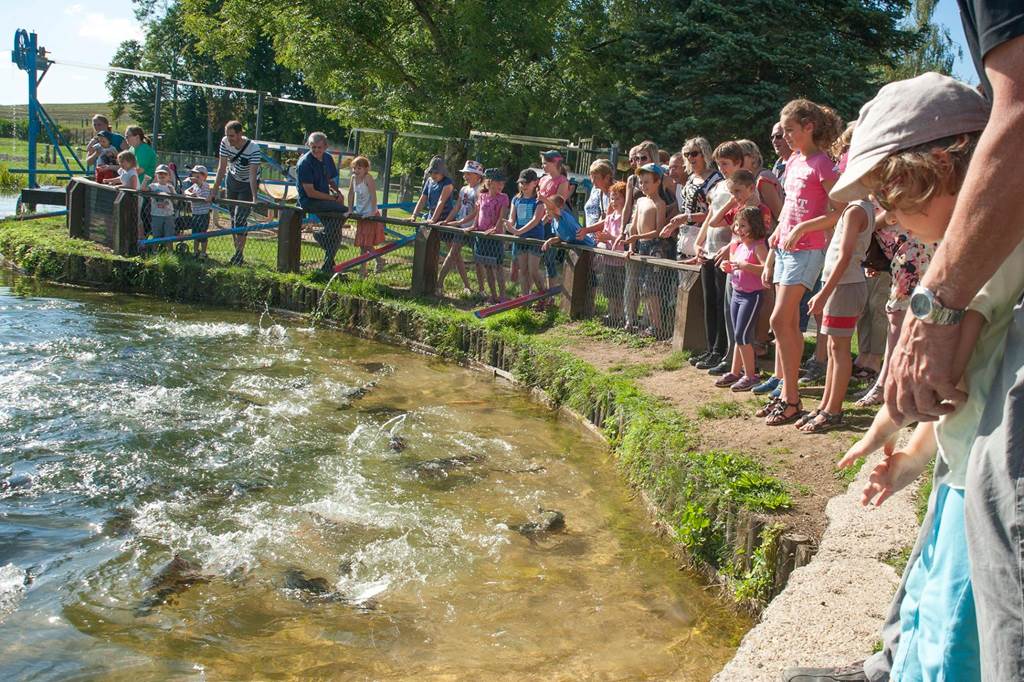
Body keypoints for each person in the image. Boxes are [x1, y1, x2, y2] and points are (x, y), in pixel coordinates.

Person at [782, 72, 995, 682]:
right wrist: (908, 459)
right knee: (928, 586)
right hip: (958, 467)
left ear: (942, 171)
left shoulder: (989, 265)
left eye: (896, 195)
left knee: (957, 620)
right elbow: (957, 397)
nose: (888, 215)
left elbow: (945, 381)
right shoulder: (956, 258)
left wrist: (893, 425)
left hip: (981, 481)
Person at [760, 99, 844, 427]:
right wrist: (774, 244)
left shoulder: (823, 164)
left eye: (791, 130)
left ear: (809, 127)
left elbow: (840, 211)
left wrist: (803, 227)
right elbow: (789, 210)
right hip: (783, 249)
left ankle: (791, 397)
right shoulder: (794, 162)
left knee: (781, 319)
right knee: (783, 324)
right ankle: (786, 395)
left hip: (808, 249)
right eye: (783, 131)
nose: (786, 137)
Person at [797, 196, 874, 433]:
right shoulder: (855, 208)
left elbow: (845, 256)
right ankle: (826, 406)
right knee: (833, 349)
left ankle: (834, 411)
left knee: (839, 351)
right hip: (841, 285)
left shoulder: (856, 210)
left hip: (845, 286)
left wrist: (823, 294)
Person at [692, 141, 745, 375]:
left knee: (724, 305)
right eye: (719, 164)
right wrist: (698, 241)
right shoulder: (718, 187)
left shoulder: (742, 187)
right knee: (709, 300)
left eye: (726, 164)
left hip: (727, 250)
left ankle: (724, 350)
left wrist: (732, 246)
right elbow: (709, 217)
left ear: (738, 163)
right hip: (709, 248)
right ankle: (712, 347)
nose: (722, 169)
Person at [715, 206, 770, 391]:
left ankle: (751, 375)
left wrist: (746, 266)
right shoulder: (739, 245)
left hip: (751, 296)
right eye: (737, 225)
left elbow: (766, 269)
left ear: (754, 226)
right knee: (738, 334)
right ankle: (735, 371)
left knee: (743, 336)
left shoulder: (759, 246)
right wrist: (728, 266)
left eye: (743, 225)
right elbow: (735, 266)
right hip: (737, 292)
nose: (738, 229)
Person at [623, 163, 668, 338]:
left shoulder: (660, 203)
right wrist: (632, 246)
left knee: (651, 289)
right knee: (643, 288)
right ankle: (650, 324)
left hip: (653, 246)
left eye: (647, 182)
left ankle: (657, 325)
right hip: (640, 246)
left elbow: (659, 230)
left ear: (657, 182)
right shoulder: (640, 201)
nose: (643, 185)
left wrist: (636, 238)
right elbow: (633, 226)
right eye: (641, 182)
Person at [295, 132, 349, 274]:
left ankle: (327, 266)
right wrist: (332, 198)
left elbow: (330, 179)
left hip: (323, 199)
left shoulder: (327, 158)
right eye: (313, 147)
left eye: (319, 147)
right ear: (308, 145)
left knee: (335, 232)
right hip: (309, 201)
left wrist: (337, 192)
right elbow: (310, 192)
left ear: (325, 146)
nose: (316, 150)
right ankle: (321, 235)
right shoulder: (305, 163)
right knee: (343, 211)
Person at [212, 121, 262, 266]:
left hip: (247, 183)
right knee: (233, 218)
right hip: (232, 179)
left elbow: (253, 175)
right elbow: (221, 168)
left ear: (240, 134)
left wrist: (254, 198)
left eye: (232, 136)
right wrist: (213, 192)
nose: (229, 139)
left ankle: (239, 253)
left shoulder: (254, 149)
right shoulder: (225, 142)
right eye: (227, 135)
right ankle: (237, 252)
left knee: (240, 217)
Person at [438, 160, 485, 296]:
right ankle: (441, 284)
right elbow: (457, 206)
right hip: (461, 228)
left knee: (478, 260)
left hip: (475, 229)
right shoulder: (464, 189)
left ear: (478, 175)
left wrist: (462, 222)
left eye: (469, 173)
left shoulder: (480, 190)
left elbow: (477, 211)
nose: (465, 176)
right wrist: (448, 221)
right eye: (465, 174)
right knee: (453, 254)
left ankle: (481, 290)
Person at [507, 168, 547, 298]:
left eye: (526, 183)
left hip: (534, 239)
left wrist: (518, 231)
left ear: (535, 183)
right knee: (523, 270)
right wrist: (509, 225)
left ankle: (544, 296)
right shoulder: (516, 199)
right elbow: (512, 217)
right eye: (521, 183)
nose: (523, 186)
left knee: (533, 270)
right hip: (521, 239)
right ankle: (525, 298)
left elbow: (536, 220)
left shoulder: (539, 200)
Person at [474, 168, 511, 303]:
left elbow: (502, 217)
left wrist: (496, 229)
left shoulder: (504, 198)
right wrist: (474, 226)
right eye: (498, 182)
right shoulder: (482, 196)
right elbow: (478, 214)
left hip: (495, 237)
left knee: (498, 267)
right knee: (488, 267)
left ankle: (502, 295)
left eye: (503, 183)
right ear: (490, 182)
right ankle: (493, 295)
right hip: (482, 235)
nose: (501, 185)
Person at [595, 181, 627, 326]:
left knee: (620, 290)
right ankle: (612, 313)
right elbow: (606, 236)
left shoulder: (627, 218)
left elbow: (624, 240)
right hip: (608, 259)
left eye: (618, 198)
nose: (614, 202)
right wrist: (602, 239)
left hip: (621, 261)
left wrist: (609, 238)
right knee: (609, 290)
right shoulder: (609, 218)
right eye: (612, 198)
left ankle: (619, 314)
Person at [346, 155, 383, 278]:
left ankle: (379, 260)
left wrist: (372, 212)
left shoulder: (368, 178)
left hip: (370, 213)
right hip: (361, 214)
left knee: (366, 243)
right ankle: (363, 271)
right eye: (354, 168)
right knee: (362, 244)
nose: (356, 171)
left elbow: (373, 195)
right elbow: (351, 194)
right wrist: (350, 209)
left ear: (366, 169)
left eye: (359, 168)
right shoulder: (353, 178)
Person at [183, 165, 212, 259]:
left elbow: (203, 195)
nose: (195, 178)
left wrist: (194, 196)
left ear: (204, 177)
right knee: (195, 233)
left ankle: (203, 252)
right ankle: (195, 251)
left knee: (203, 234)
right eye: (194, 176)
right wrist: (190, 194)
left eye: (198, 176)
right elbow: (186, 191)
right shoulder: (194, 186)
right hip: (195, 213)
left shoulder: (205, 185)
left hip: (203, 214)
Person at [146, 164, 178, 246]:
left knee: (169, 235)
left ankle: (170, 253)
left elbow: (175, 202)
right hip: (156, 214)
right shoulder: (153, 186)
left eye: (164, 174)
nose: (162, 175)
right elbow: (143, 189)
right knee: (156, 235)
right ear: (156, 176)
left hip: (168, 215)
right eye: (159, 173)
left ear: (169, 176)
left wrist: (172, 193)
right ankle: (155, 251)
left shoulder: (170, 187)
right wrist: (145, 180)